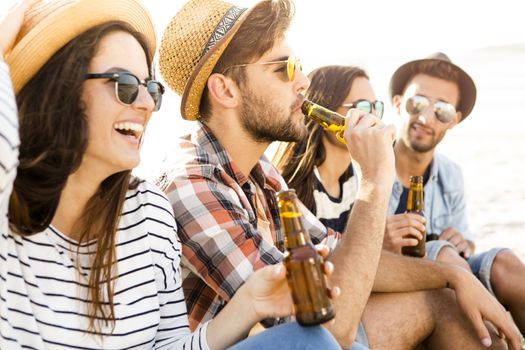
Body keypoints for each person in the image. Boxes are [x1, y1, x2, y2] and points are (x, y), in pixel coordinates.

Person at [156, 0, 521, 348]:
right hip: (279, 341)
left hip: (296, 337)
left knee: (446, 296)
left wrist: (454, 276)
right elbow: (329, 332)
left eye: (298, 65)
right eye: (283, 68)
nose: (302, 82)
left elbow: (333, 251)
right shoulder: (192, 184)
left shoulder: (259, 173)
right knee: (440, 305)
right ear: (225, 89)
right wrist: (376, 182)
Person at [0, 0, 342, 349]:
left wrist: (251, 302)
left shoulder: (148, 212)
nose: (147, 104)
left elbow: (172, 346)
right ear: (60, 89)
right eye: (125, 84)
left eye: (151, 89)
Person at [385, 52, 525, 336]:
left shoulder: (451, 173)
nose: (425, 117)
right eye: (418, 103)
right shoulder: (368, 163)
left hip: (451, 271)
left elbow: (465, 242)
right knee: (443, 253)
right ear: (398, 103)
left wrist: (462, 243)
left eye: (443, 111)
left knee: (506, 264)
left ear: (454, 120)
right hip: (397, 279)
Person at [273, 65, 382, 233]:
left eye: (377, 107)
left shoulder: (356, 179)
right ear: (324, 114)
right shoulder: (291, 190)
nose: (373, 117)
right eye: (362, 107)